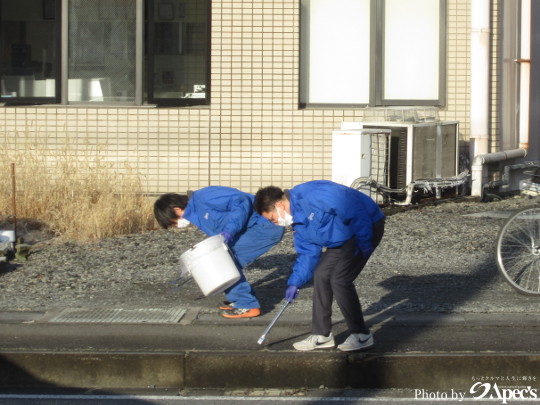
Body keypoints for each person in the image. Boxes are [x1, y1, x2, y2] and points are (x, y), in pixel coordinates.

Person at [254, 180, 385, 351]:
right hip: (339, 238)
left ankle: (361, 335)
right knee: (321, 274)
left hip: (364, 228)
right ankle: (322, 335)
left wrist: (365, 242)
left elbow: (353, 209)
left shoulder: (312, 195)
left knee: (339, 279)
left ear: (279, 205)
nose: (276, 223)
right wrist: (295, 282)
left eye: (273, 219)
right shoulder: (296, 221)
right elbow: (308, 253)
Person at [154, 186, 284, 319]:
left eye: (174, 222)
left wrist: (229, 230)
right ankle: (240, 301)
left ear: (176, 209)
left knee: (226, 261)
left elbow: (241, 201)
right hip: (253, 228)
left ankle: (247, 305)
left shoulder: (205, 197)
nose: (176, 226)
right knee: (222, 258)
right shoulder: (196, 212)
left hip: (265, 226)